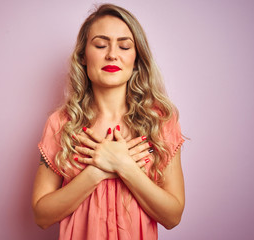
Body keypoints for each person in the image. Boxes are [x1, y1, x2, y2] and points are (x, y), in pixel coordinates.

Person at [32, 4, 185, 240]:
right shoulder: (61, 123)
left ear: (136, 59)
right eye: (101, 45)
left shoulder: (161, 120)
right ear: (83, 55)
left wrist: (125, 166)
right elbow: (42, 216)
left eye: (124, 46)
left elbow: (172, 217)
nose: (112, 54)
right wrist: (96, 170)